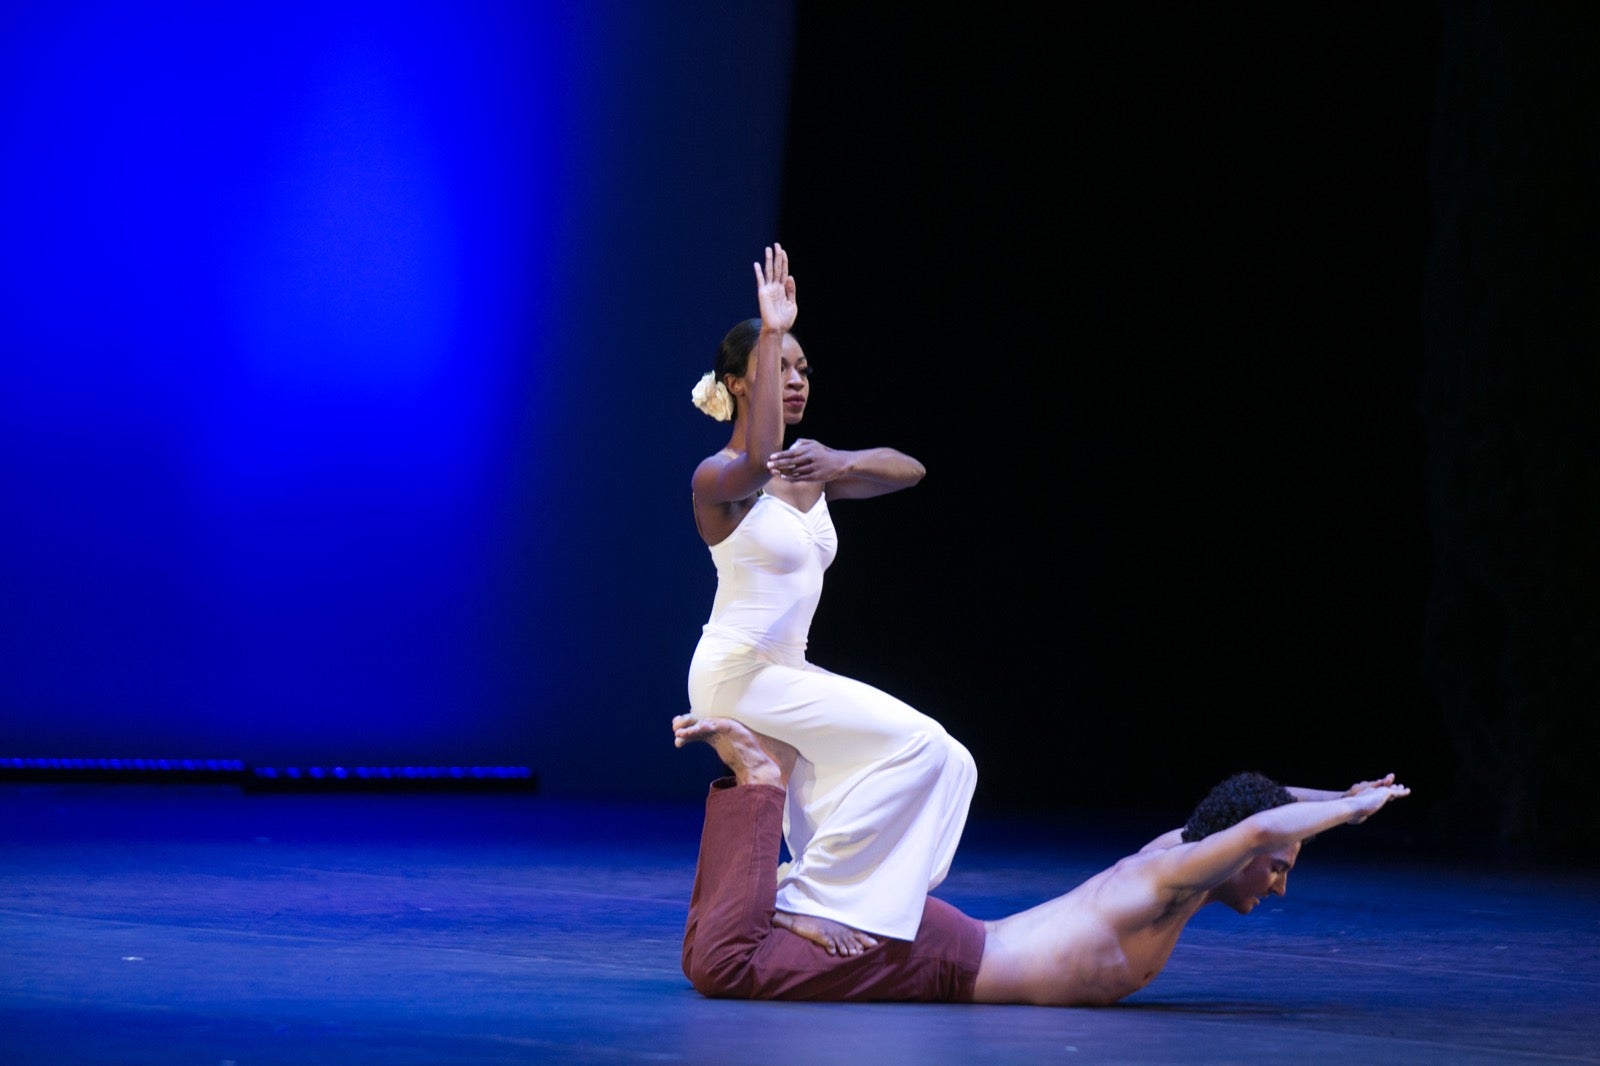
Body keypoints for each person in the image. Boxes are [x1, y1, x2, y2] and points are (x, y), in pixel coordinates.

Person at [674, 714, 1411, 1006]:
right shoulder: (1162, 881)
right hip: (933, 962)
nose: (1280, 884)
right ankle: (760, 788)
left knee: (708, 953)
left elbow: (1258, 817)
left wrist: (1341, 796)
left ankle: (787, 901)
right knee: (724, 965)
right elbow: (1255, 829)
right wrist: (1350, 807)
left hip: (936, 948)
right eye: (1282, 867)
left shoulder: (1174, 860)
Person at [684, 243, 977, 952]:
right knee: (920, 746)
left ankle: (822, 900)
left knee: (952, 762)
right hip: (740, 672)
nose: (795, 380)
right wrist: (775, 325)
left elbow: (910, 471)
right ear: (735, 383)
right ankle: (806, 901)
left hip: (786, 672)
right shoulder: (720, 476)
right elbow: (756, 458)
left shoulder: (805, 472)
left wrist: (838, 462)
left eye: (802, 370)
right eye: (778, 367)